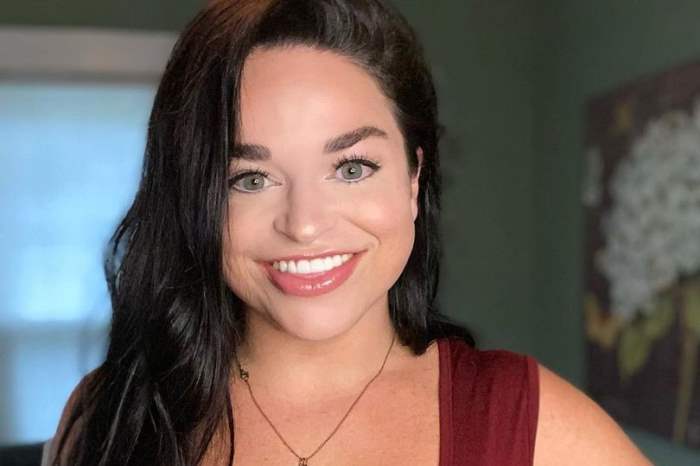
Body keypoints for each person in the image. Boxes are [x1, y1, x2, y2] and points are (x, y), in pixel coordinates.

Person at [47, 0, 652, 465]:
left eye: (352, 168)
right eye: (250, 178)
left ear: (413, 179)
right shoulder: (107, 416)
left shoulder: (536, 428)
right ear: (195, 197)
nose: (304, 224)